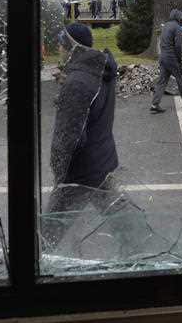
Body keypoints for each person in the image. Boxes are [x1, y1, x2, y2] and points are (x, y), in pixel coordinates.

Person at [43, 23, 122, 249]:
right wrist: (68, 81)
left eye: (61, 42)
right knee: (121, 218)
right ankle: (142, 248)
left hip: (80, 170)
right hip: (102, 161)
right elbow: (91, 102)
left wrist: (59, 173)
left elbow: (69, 137)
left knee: (47, 232)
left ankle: (34, 266)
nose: (58, 46)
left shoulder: (77, 83)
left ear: (71, 46)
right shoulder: (99, 71)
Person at [150, 9, 182, 113]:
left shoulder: (165, 25)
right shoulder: (177, 28)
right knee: (180, 79)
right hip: (171, 58)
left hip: (163, 57)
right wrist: (179, 60)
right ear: (179, 18)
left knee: (162, 81)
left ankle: (154, 104)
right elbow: (178, 46)